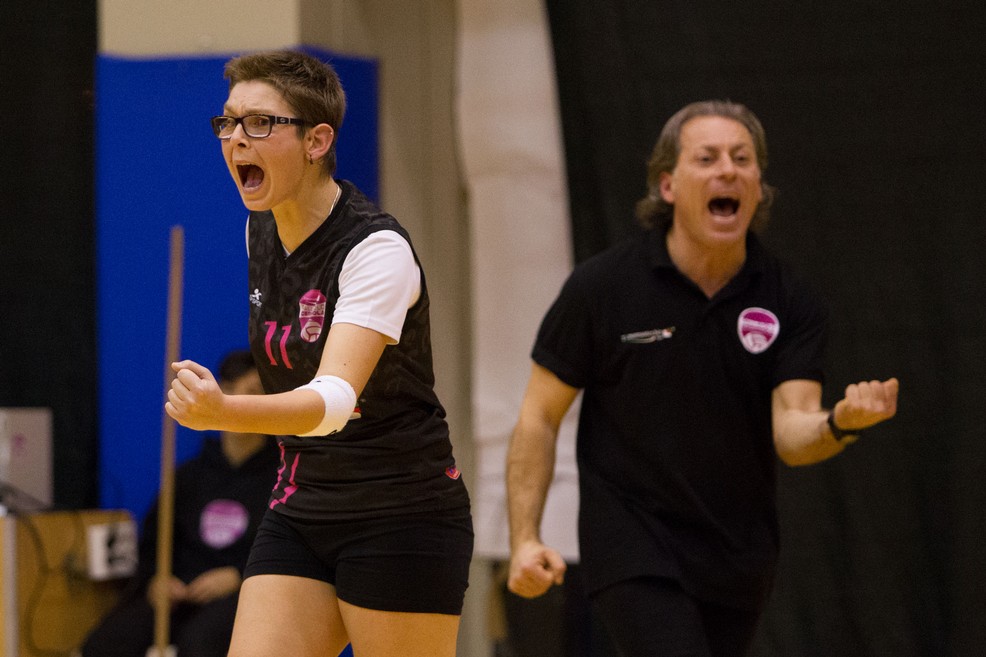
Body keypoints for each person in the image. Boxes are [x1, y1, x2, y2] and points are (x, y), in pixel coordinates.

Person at [505, 100, 899, 657]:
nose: (728, 171)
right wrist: (524, 538)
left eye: (742, 159)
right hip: (632, 544)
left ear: (759, 186)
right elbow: (539, 416)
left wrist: (840, 422)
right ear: (667, 185)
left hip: (737, 554)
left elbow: (792, 432)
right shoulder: (603, 288)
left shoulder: (788, 299)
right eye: (708, 158)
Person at [164, 50, 472, 657]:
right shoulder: (260, 228)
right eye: (227, 122)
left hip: (400, 509)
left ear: (316, 140)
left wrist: (222, 411)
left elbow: (333, 402)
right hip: (303, 507)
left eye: (259, 123)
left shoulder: (374, 250)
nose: (235, 139)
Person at [82, 350, 278, 657]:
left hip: (242, 597)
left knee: (201, 644)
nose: (252, 406)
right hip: (180, 593)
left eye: (263, 397)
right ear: (222, 392)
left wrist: (238, 575)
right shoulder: (189, 477)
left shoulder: (280, 477)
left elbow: (285, 549)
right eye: (250, 392)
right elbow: (156, 542)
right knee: (105, 644)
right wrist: (158, 580)